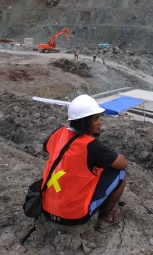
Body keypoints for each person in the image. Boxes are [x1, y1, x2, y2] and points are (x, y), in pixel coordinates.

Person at [41, 95, 127, 233]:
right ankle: (105, 217)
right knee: (119, 173)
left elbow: (45, 148)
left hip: (45, 208)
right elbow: (122, 163)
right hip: (74, 216)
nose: (100, 122)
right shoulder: (92, 146)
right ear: (84, 122)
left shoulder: (58, 133)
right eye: (95, 119)